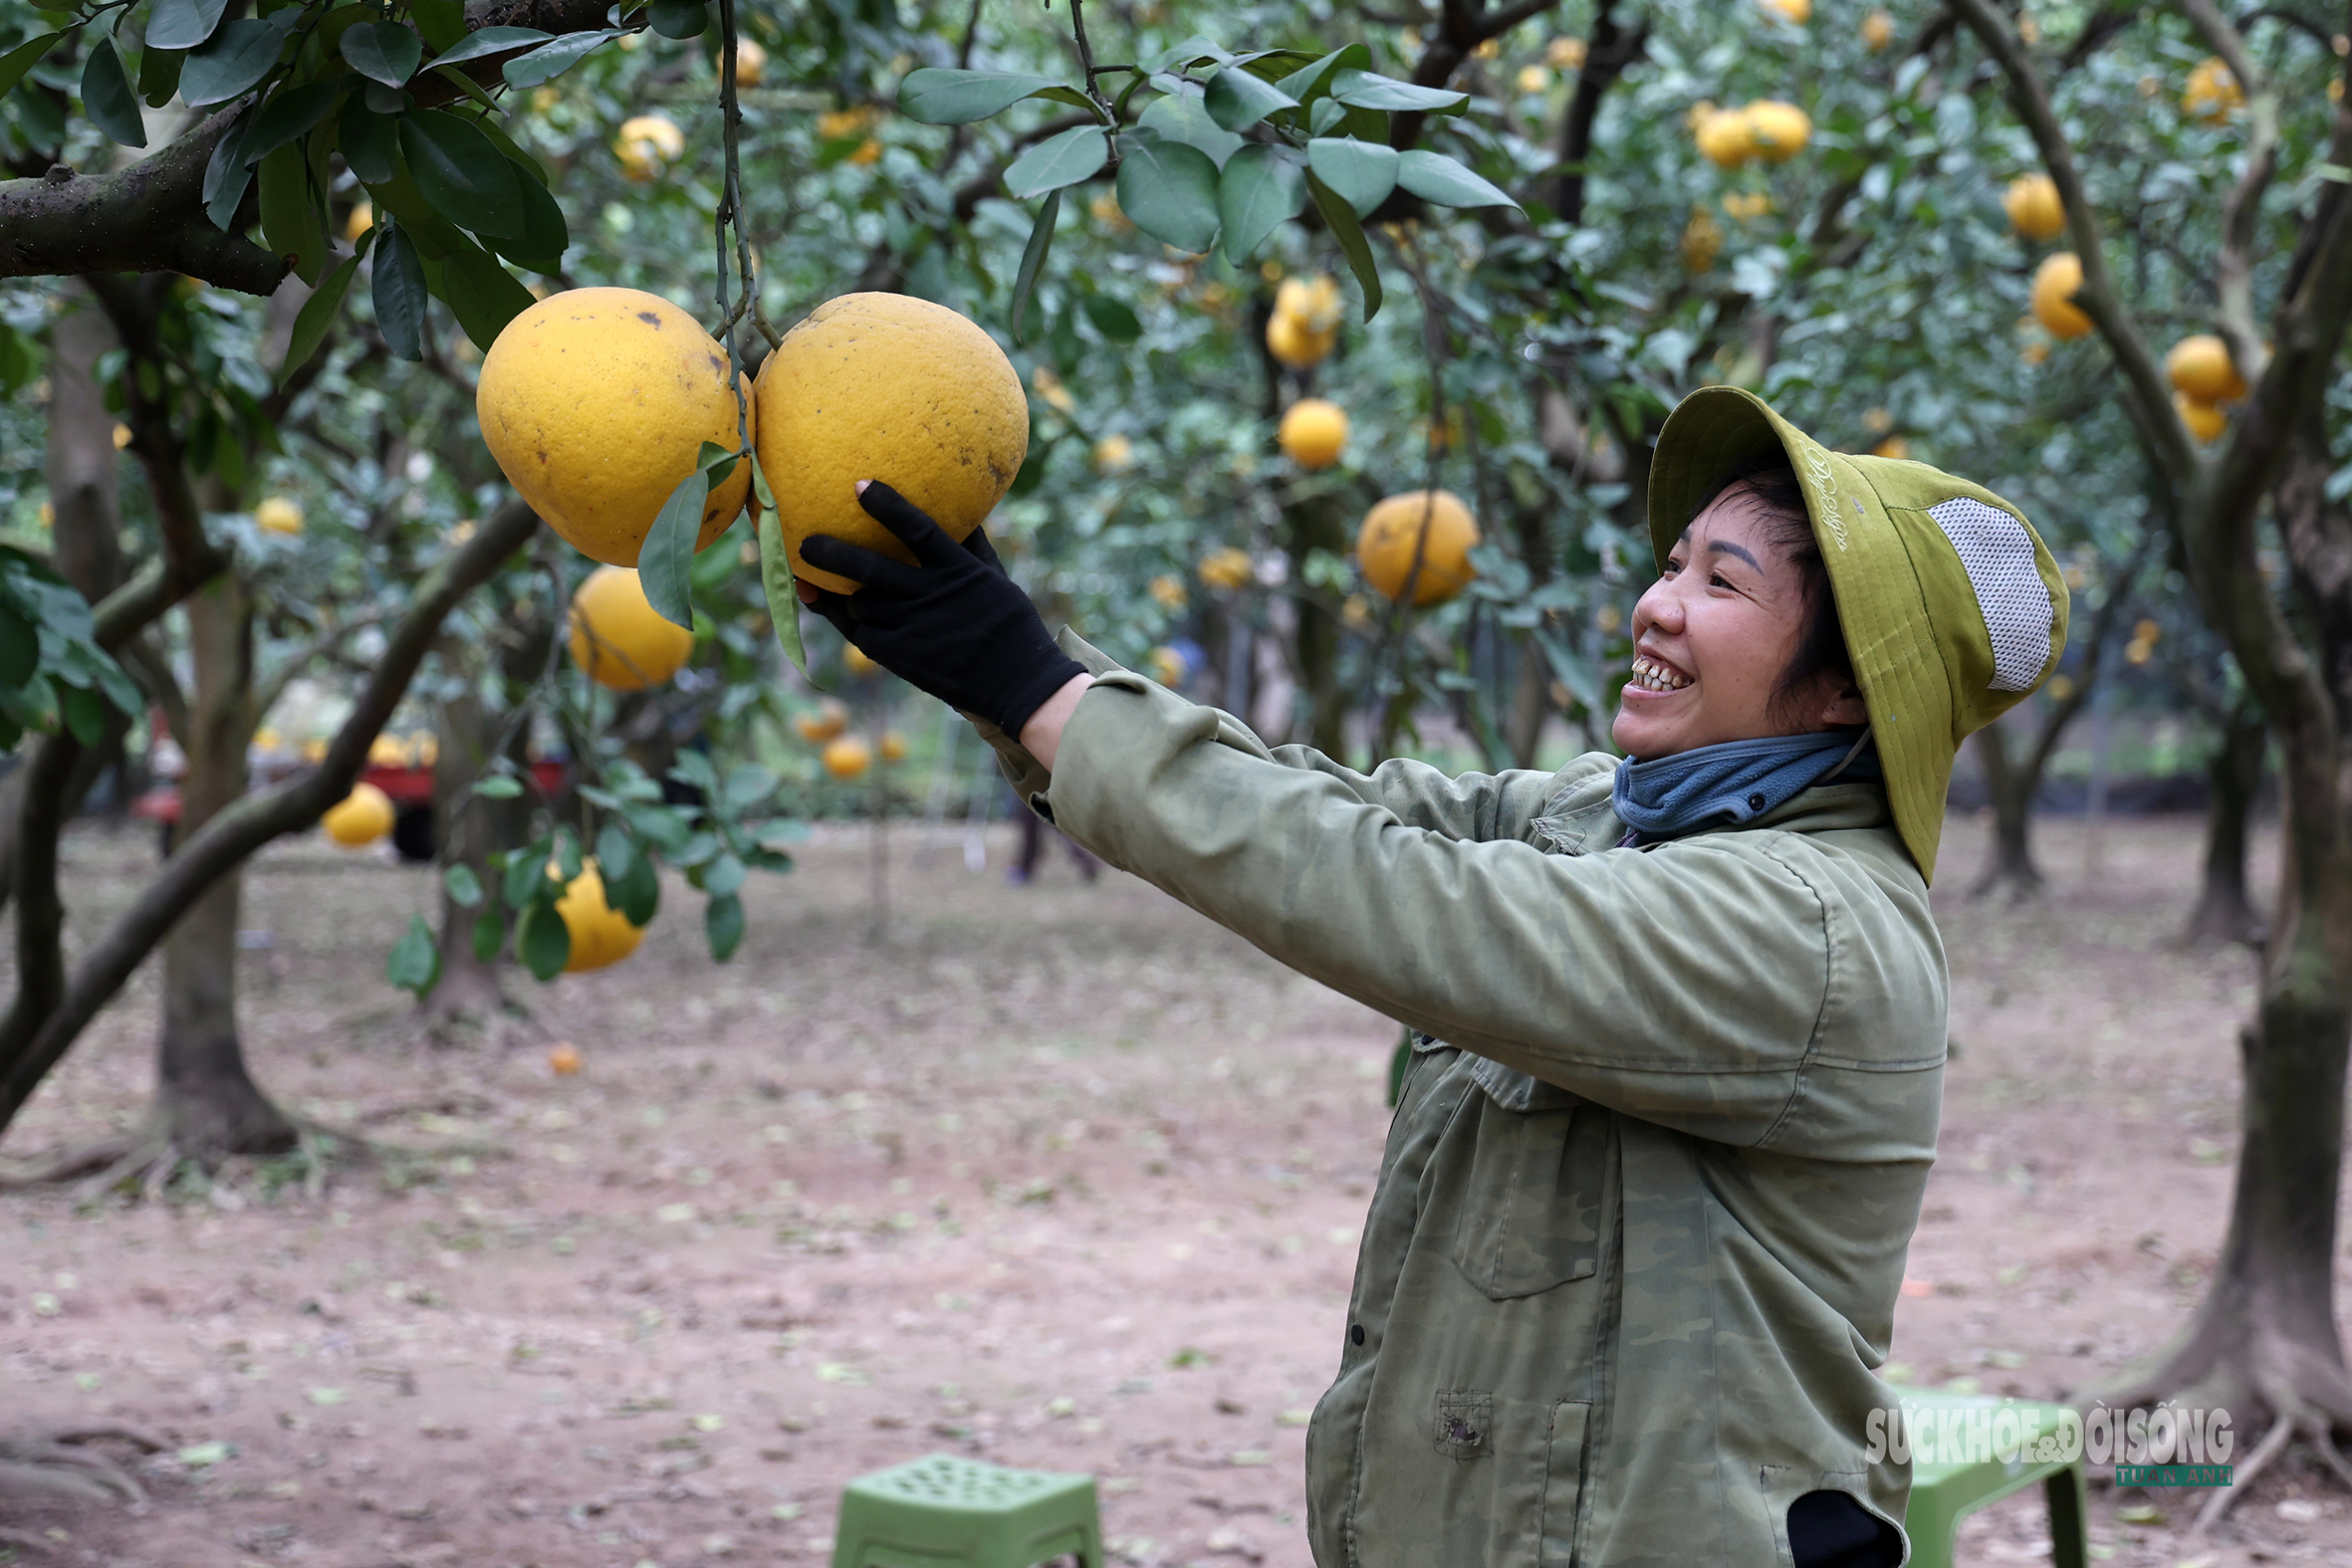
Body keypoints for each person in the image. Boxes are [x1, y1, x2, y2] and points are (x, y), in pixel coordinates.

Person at [799, 386, 2068, 1566]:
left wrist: (1034, 684)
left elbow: (1400, 900)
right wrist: (1023, 676)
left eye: (1720, 583)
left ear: (1847, 687)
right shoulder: (1608, 817)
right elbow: (1333, 806)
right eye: (1672, 561)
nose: (1656, 602)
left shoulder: (1807, 929)